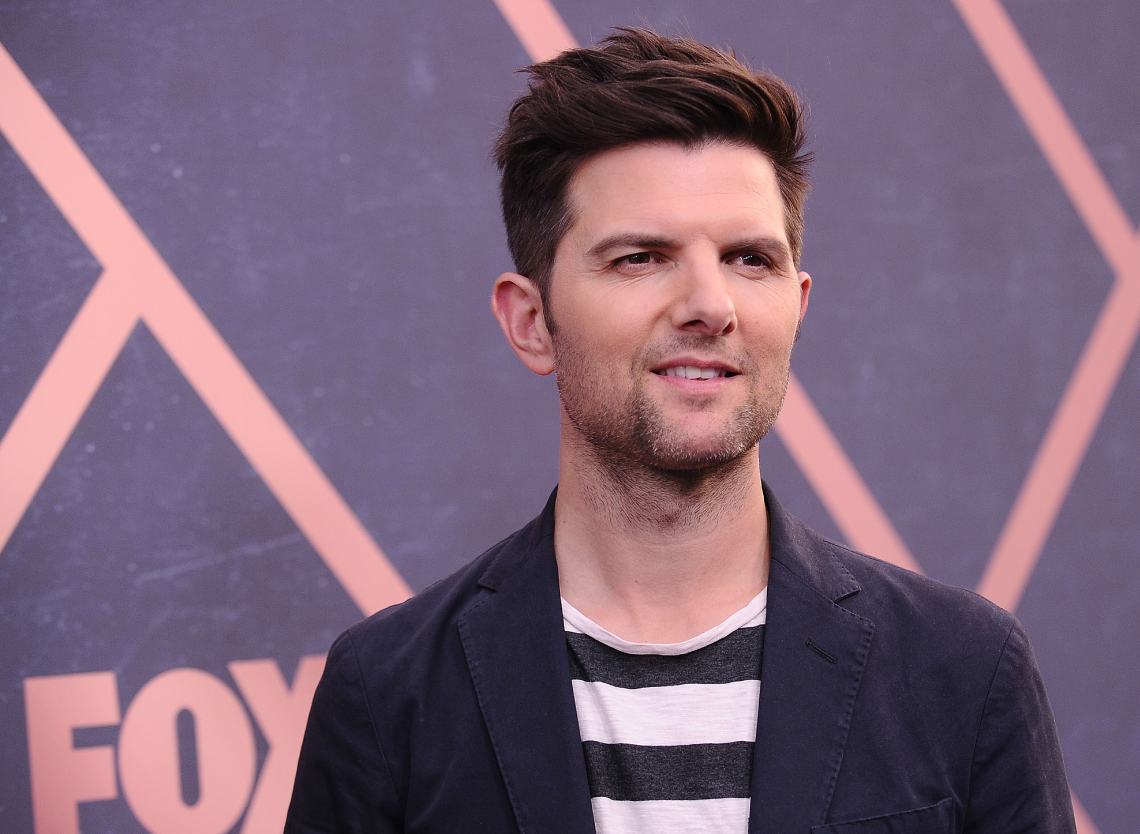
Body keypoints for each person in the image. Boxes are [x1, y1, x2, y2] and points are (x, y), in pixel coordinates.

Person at [285, 28, 1076, 834]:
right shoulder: (387, 696)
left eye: (750, 259)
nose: (710, 305)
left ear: (798, 307)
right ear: (531, 322)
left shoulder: (964, 672)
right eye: (640, 257)